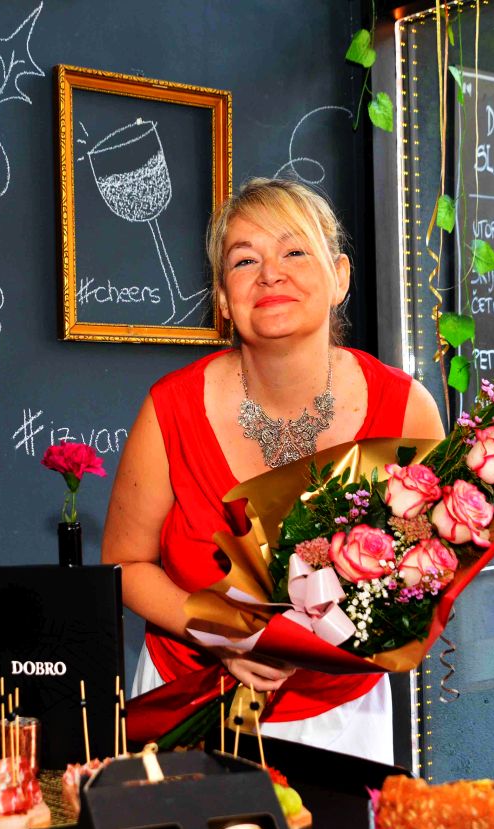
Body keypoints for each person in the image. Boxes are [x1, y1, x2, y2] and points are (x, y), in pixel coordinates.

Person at [101, 178, 445, 764]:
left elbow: (430, 569)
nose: (270, 275)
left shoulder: (406, 410)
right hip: (189, 708)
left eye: (294, 251)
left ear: (340, 277)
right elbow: (124, 565)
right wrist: (219, 632)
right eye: (244, 260)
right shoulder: (170, 410)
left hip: (340, 721)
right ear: (222, 298)